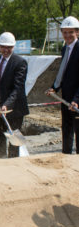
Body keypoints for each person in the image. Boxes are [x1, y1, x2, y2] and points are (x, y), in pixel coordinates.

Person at [0, 32, 29, 158]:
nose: (6, 50)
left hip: (13, 109)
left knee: (13, 140)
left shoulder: (20, 63)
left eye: (9, 47)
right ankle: (1, 161)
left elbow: (18, 88)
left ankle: (13, 164)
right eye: (3, 47)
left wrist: (7, 105)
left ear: (13, 47)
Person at [46, 16, 79, 154]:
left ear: (77, 32)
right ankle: (66, 156)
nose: (67, 35)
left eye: (70, 32)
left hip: (77, 99)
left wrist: (77, 100)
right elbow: (63, 72)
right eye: (65, 32)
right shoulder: (65, 49)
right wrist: (55, 87)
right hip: (66, 98)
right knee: (66, 128)